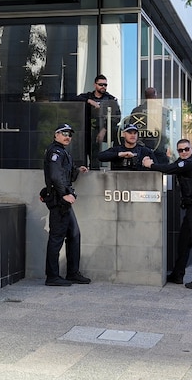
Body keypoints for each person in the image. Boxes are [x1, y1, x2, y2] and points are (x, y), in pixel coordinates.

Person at [142, 139, 192, 289]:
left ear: (191, 148)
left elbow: (170, 168)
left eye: (186, 149)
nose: (184, 152)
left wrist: (151, 165)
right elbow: (171, 165)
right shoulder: (184, 162)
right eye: (180, 150)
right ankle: (177, 274)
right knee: (183, 242)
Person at [41, 123, 90, 286]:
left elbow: (66, 175)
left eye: (69, 134)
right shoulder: (56, 152)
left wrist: (78, 170)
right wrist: (65, 194)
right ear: (56, 135)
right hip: (59, 200)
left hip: (62, 200)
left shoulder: (62, 152)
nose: (67, 136)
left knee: (74, 235)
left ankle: (72, 273)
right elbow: (55, 176)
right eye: (63, 133)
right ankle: (52, 276)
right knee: (56, 238)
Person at [74, 74, 121, 169]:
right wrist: (89, 101)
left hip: (106, 129)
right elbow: (73, 98)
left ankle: (116, 165)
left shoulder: (110, 99)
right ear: (95, 85)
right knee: (92, 148)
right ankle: (92, 168)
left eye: (105, 85)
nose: (103, 87)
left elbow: (117, 117)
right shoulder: (88, 96)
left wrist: (104, 129)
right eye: (101, 84)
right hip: (90, 129)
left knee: (120, 132)